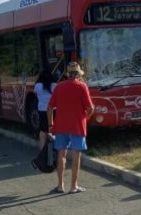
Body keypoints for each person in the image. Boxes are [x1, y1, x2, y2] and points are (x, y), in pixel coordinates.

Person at [47, 61, 94, 194]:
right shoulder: (82, 86)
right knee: (76, 156)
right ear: (78, 74)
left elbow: (49, 108)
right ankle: (74, 186)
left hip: (60, 126)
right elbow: (90, 108)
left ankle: (60, 186)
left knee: (61, 155)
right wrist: (85, 117)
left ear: (68, 74)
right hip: (77, 127)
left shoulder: (59, 87)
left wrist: (50, 124)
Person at [34, 69, 57, 150]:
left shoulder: (37, 86)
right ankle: (54, 151)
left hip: (42, 110)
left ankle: (42, 153)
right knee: (54, 130)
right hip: (53, 110)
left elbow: (36, 96)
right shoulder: (54, 85)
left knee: (43, 131)